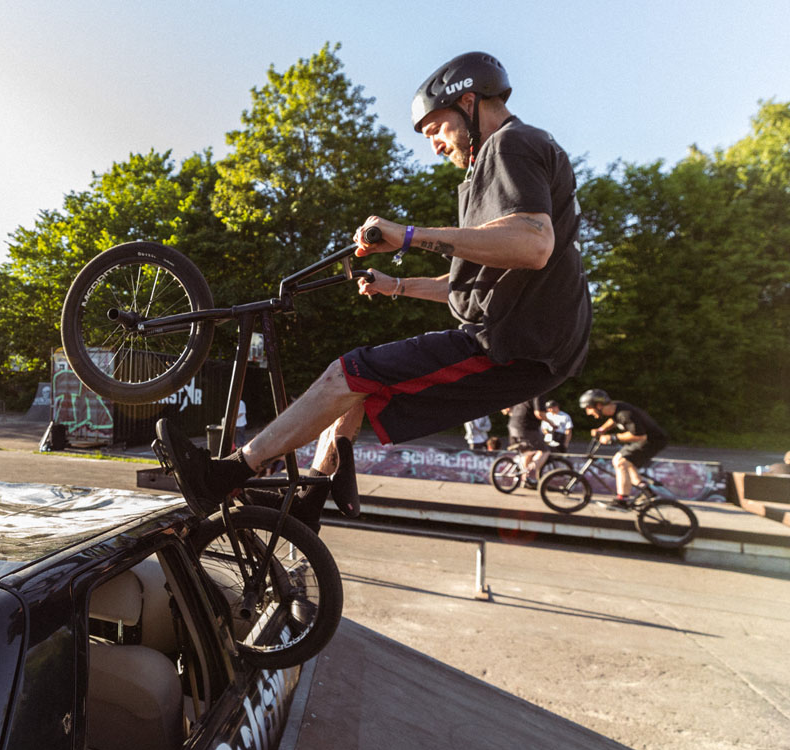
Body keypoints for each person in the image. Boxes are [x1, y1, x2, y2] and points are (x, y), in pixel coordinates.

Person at [157, 51, 591, 517]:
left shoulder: (510, 144)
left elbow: (533, 244)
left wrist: (408, 235)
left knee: (346, 372)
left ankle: (226, 474)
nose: (436, 147)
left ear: (469, 102)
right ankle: (312, 498)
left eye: (436, 130)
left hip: (515, 346)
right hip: (518, 341)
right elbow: (470, 287)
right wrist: (396, 286)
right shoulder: (491, 167)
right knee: (356, 391)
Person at [579, 389, 669, 508]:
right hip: (646, 439)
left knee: (620, 461)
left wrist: (612, 437)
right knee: (626, 462)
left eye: (588, 408)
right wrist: (601, 430)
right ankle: (648, 493)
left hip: (652, 441)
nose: (588, 413)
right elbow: (614, 420)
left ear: (599, 405)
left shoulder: (625, 414)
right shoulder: (616, 407)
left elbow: (639, 436)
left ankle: (622, 500)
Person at [504, 398, 550, 488]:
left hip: (512, 426)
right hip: (526, 427)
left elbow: (507, 410)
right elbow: (539, 413)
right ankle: (530, 474)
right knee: (544, 451)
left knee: (527, 451)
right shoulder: (539, 394)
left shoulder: (526, 392)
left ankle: (525, 479)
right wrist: (551, 423)